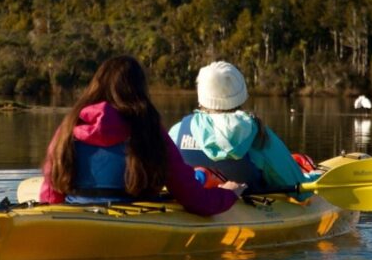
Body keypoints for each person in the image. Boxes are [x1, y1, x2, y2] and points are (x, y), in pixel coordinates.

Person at [39, 55, 244, 215]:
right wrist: (228, 194)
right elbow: (194, 199)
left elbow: (49, 195)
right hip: (136, 219)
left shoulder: (69, 127)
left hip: (75, 217)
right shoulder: (150, 130)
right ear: (139, 90)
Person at [169, 61, 316, 194]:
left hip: (194, 206)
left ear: (201, 95)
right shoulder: (259, 136)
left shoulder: (178, 131)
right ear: (241, 96)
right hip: (250, 208)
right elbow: (299, 189)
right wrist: (314, 176)